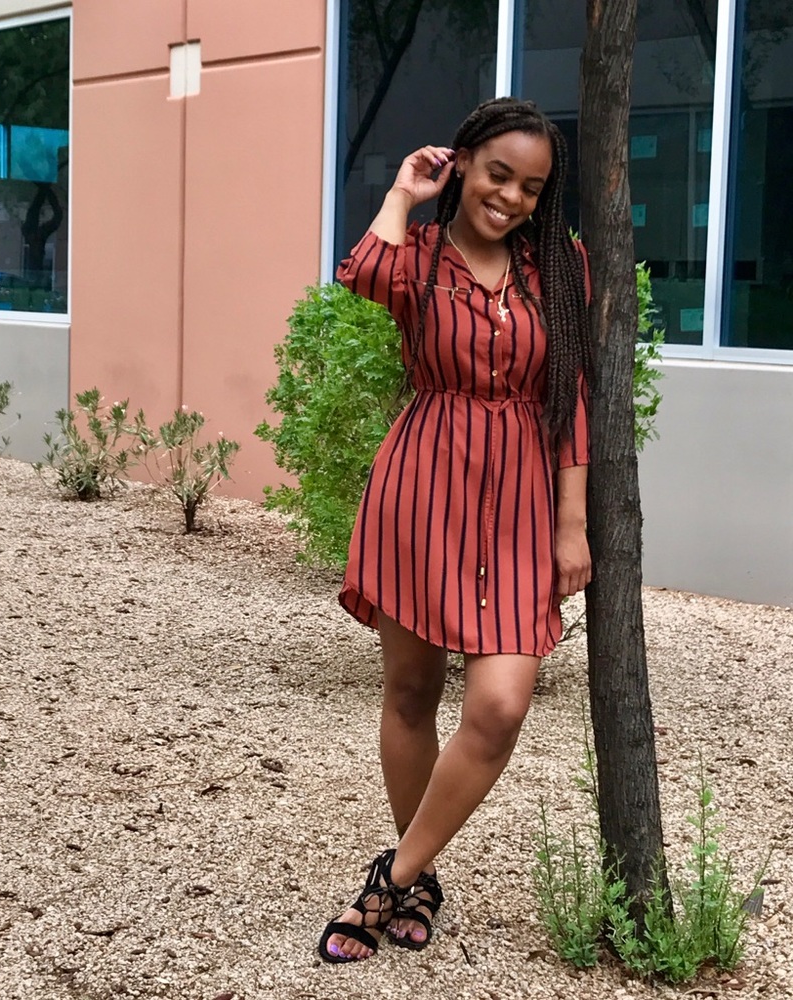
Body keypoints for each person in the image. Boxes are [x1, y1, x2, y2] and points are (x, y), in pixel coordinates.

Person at [318, 97, 593, 963]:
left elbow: (572, 398)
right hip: (421, 485)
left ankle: (392, 878)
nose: (511, 197)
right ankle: (419, 879)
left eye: (531, 187)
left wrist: (572, 526)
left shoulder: (561, 267)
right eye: (498, 174)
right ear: (464, 164)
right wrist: (404, 190)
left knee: (500, 706)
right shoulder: (421, 260)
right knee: (408, 694)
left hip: (519, 501)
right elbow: (358, 270)